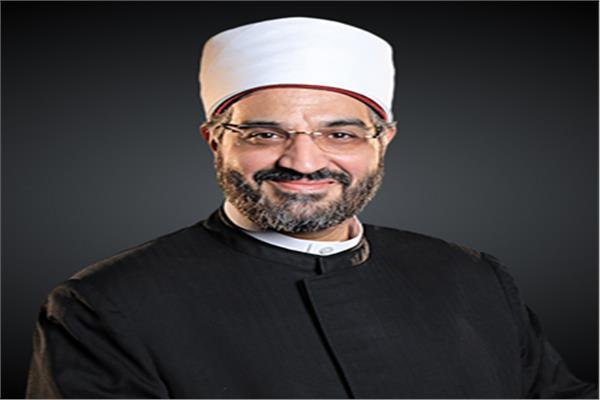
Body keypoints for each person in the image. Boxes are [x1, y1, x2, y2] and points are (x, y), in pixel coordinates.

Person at [26, 17, 597, 399]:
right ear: (215, 141)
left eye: (339, 134)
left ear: (383, 142)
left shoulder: (470, 275)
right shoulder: (106, 304)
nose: (303, 161)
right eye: (264, 134)